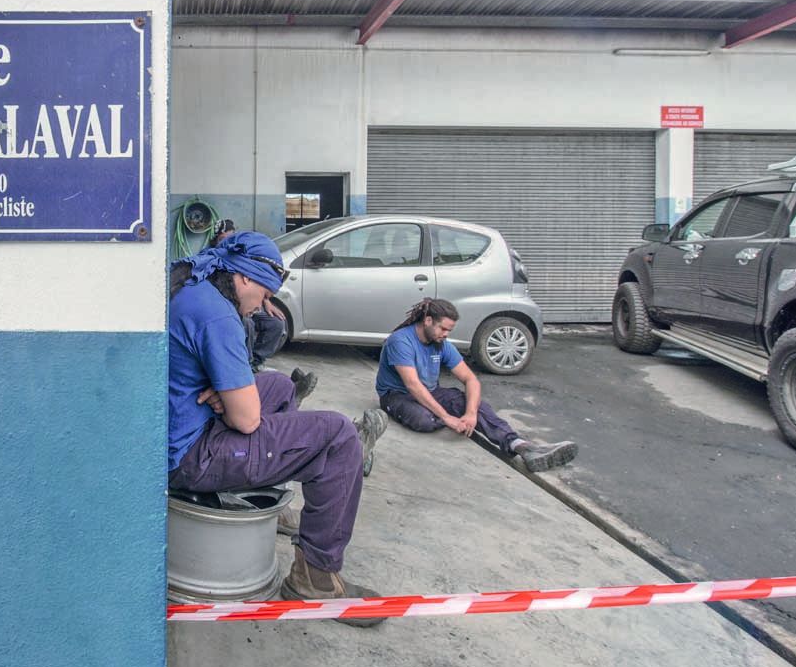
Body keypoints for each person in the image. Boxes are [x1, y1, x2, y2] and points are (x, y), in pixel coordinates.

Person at [168, 231, 389, 621]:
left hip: (175, 425)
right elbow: (247, 419)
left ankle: (265, 495)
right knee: (337, 437)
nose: (263, 307)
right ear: (245, 278)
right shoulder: (218, 314)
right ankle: (314, 578)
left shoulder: (197, 287)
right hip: (188, 454)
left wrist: (225, 393)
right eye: (266, 295)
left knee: (279, 385)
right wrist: (234, 401)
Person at [375, 298, 577, 473]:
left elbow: (471, 380)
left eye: (449, 330)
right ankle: (443, 417)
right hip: (397, 395)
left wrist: (470, 413)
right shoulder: (401, 341)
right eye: (443, 328)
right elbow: (413, 385)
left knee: (476, 406)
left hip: (431, 392)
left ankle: (523, 447)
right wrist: (448, 418)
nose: (446, 334)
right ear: (428, 321)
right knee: (423, 420)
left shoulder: (441, 344)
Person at [209, 219, 316, 404]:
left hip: (241, 301)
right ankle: (279, 392)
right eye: (225, 238)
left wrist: (265, 300)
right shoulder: (215, 268)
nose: (229, 241)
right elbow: (246, 421)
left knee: (276, 322)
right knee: (246, 323)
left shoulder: (245, 266)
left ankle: (258, 366)